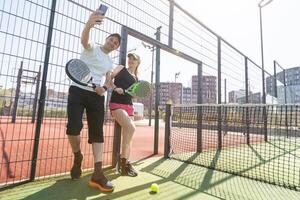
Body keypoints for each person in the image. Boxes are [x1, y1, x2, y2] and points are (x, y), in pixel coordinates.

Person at [66, 10, 120, 192]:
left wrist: (104, 88)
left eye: (116, 43)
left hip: (97, 97)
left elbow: (109, 80)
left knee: (97, 133)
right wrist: (89, 23)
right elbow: (84, 40)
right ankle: (77, 156)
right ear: (106, 39)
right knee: (73, 128)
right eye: (112, 40)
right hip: (78, 91)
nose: (113, 43)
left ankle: (98, 173)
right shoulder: (92, 47)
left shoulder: (110, 63)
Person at [109, 53, 141, 177]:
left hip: (129, 106)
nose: (131, 60)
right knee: (131, 127)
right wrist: (115, 88)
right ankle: (122, 164)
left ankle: (126, 163)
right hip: (116, 104)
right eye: (130, 58)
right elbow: (109, 78)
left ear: (138, 62)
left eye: (134, 59)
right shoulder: (121, 68)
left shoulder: (137, 78)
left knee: (129, 135)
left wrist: (133, 93)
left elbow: (134, 95)